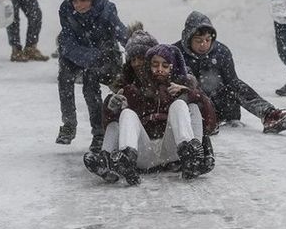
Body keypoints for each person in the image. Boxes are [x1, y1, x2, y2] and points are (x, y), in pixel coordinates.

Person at [83, 43, 217, 185]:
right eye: (155, 65)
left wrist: (189, 93)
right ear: (148, 66)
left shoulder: (180, 86)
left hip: (172, 150)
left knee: (180, 105)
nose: (160, 69)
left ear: (173, 66)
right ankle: (127, 158)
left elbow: (210, 123)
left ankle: (190, 153)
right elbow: (112, 124)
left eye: (165, 65)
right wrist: (111, 106)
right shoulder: (134, 89)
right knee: (127, 113)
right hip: (144, 151)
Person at [175, 11, 286, 134]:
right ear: (188, 38)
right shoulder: (175, 53)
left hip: (221, 107)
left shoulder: (221, 52)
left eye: (207, 40)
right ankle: (204, 120)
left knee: (235, 85)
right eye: (198, 40)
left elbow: (233, 83)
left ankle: (269, 114)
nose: (204, 44)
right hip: (191, 107)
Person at [56, 0, 129, 152]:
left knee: (90, 81)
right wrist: (88, 56)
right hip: (79, 54)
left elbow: (121, 33)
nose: (78, 5)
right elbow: (67, 41)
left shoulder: (107, 10)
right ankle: (69, 123)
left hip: (105, 56)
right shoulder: (66, 10)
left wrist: (138, 46)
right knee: (64, 77)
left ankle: (99, 132)